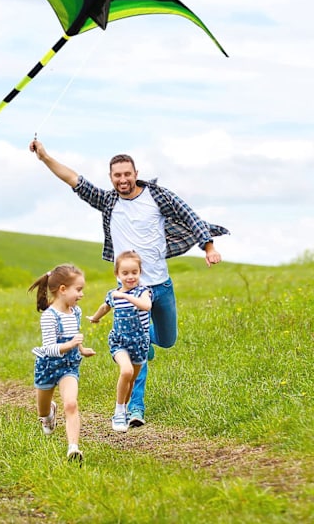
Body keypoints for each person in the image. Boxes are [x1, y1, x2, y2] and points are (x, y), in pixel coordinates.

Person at [29, 138, 229, 427]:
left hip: (160, 287)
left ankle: (144, 343)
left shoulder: (157, 196)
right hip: (129, 294)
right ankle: (134, 409)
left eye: (127, 174)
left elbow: (189, 215)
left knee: (167, 340)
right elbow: (73, 179)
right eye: (117, 175)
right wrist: (45, 157)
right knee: (138, 348)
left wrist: (208, 247)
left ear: (135, 174)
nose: (122, 179)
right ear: (111, 178)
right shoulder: (108, 201)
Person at [28, 264, 96, 463]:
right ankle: (49, 414)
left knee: (71, 404)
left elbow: (75, 337)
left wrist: (82, 349)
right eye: (79, 289)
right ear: (63, 290)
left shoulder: (75, 312)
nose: (81, 294)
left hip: (68, 366)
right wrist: (71, 344)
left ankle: (73, 448)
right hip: (47, 367)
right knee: (42, 411)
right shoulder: (49, 316)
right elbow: (49, 348)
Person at [87, 251, 152, 432]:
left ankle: (125, 407)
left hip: (139, 344)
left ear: (140, 272)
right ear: (117, 275)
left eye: (134, 272)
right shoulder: (113, 294)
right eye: (125, 273)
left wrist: (126, 296)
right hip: (120, 342)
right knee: (126, 371)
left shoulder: (143, 292)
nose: (130, 276)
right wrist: (95, 317)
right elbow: (105, 306)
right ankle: (119, 412)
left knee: (131, 380)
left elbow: (146, 306)